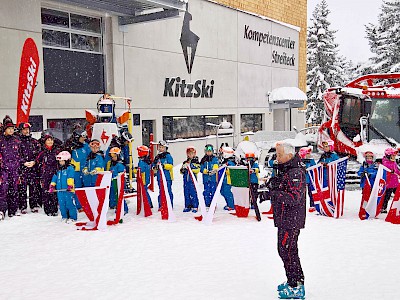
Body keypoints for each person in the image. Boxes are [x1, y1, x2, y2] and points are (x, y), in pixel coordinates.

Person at [261, 142, 306, 299]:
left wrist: (272, 194)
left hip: (291, 219)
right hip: (285, 218)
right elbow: (281, 186)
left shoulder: (295, 172)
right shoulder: (286, 169)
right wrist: (271, 185)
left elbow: (294, 197)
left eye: (279, 155)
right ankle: (295, 281)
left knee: (286, 251)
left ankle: (295, 286)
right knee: (287, 250)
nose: (277, 158)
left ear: (289, 155)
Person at [17, 122, 42, 213]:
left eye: (27, 129)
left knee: (33, 187)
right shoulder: (17, 142)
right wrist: (23, 162)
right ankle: (23, 206)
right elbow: (15, 155)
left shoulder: (34, 141)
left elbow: (39, 154)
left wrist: (34, 161)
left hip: (33, 168)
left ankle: (34, 205)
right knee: (22, 188)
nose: (26, 131)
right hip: (22, 169)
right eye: (24, 129)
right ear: (20, 130)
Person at [0, 119, 22, 220]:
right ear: (5, 129)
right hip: (4, 169)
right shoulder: (1, 140)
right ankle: (2, 210)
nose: (11, 130)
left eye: (12, 128)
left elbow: (21, 155)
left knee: (14, 189)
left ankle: (13, 210)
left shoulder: (17, 140)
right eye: (9, 128)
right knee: (3, 190)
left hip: (15, 169)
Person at [36, 134, 61, 216]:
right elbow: (37, 161)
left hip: (54, 174)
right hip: (45, 174)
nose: (50, 142)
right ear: (45, 142)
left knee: (54, 191)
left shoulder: (57, 152)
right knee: (46, 191)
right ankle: (47, 209)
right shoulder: (42, 152)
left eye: (51, 140)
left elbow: (61, 162)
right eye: (48, 140)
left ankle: (54, 209)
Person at [49, 151, 77, 223]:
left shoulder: (70, 168)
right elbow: (54, 178)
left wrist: (70, 185)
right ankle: (64, 216)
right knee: (62, 204)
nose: (60, 163)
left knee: (69, 203)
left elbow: (70, 177)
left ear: (67, 160)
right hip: (60, 190)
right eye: (59, 161)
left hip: (68, 190)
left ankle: (72, 217)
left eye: (62, 161)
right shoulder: (58, 170)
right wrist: (52, 186)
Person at [69, 129, 90, 211]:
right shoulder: (71, 147)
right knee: (77, 188)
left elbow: (90, 155)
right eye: (82, 137)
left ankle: (87, 204)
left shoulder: (86, 145)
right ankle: (79, 206)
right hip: (76, 171)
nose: (84, 138)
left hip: (85, 170)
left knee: (86, 187)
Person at [152, 140, 174, 210]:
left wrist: (164, 166)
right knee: (161, 191)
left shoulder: (168, 156)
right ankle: (161, 204)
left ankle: (169, 204)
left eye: (162, 147)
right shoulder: (157, 157)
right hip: (160, 177)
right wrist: (154, 167)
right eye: (160, 147)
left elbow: (170, 165)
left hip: (167, 177)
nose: (160, 149)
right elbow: (153, 165)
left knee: (168, 190)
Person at [106, 147, 128, 214]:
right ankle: (113, 205)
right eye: (112, 156)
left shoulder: (120, 165)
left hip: (118, 183)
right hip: (113, 182)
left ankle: (123, 208)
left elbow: (121, 175)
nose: (113, 158)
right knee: (113, 194)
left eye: (114, 156)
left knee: (119, 196)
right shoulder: (112, 164)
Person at [180, 146, 200, 213]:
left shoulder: (196, 162)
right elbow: (181, 171)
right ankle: (188, 205)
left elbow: (197, 170)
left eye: (192, 153)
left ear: (194, 154)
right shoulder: (185, 162)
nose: (190, 155)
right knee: (186, 193)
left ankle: (195, 206)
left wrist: (191, 167)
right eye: (189, 153)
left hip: (192, 181)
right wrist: (183, 169)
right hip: (186, 180)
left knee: (193, 193)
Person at [381, 147, 400, 213]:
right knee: (387, 196)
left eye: (395, 156)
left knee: (398, 194)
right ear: (388, 156)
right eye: (393, 156)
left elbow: (396, 170)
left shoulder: (394, 162)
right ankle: (383, 208)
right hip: (389, 184)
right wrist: (389, 172)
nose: (394, 158)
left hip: (395, 183)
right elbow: (384, 173)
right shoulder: (385, 163)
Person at [299, 147, 316, 213]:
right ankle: (301, 206)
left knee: (311, 193)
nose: (309, 155)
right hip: (302, 180)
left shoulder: (311, 160)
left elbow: (314, 167)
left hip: (310, 180)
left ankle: (312, 205)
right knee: (301, 194)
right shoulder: (299, 161)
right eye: (307, 154)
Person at [219, 146, 236, 211]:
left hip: (228, 180)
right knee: (222, 192)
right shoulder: (223, 162)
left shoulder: (230, 163)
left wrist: (226, 169)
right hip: (223, 180)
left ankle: (231, 205)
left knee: (227, 192)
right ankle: (228, 203)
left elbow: (232, 170)